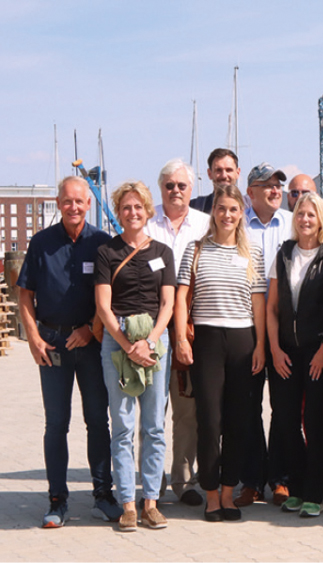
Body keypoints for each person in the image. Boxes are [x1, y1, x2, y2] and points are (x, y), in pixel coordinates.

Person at [16, 176, 120, 528]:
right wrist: (32, 338)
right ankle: (57, 500)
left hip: (91, 345)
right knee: (56, 423)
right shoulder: (41, 243)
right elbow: (25, 294)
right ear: (58, 204)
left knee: (97, 422)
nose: (73, 207)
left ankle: (102, 495)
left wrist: (90, 330)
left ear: (89, 204)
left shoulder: (102, 243)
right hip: (53, 346)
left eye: (79, 201)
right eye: (66, 201)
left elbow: (111, 297)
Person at [173, 184, 266, 522]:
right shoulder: (195, 249)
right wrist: (182, 340)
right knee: (209, 421)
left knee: (238, 421)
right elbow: (183, 299)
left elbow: (259, 304)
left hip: (242, 339)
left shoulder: (252, 252)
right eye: (222, 208)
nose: (227, 215)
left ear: (242, 213)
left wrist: (261, 347)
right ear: (213, 211)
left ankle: (229, 492)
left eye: (234, 209)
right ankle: (211, 494)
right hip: (207, 341)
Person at [95, 181, 175, 532]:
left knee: (154, 425)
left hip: (155, 340)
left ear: (148, 210)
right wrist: (128, 345)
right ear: (119, 211)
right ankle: (128, 503)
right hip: (119, 340)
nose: (132, 213)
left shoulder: (163, 251)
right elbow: (102, 304)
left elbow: (169, 303)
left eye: (138, 207)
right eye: (126, 207)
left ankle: (152, 502)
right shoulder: (106, 252)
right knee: (124, 425)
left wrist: (150, 342)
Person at [266, 192, 323, 518]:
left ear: (321, 219)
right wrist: (274, 349)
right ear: (294, 217)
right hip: (284, 353)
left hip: (317, 354)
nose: (305, 220)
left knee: (313, 421)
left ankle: (315, 491)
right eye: (300, 214)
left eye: (311, 214)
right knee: (286, 421)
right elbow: (271, 308)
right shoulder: (283, 253)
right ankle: (296, 487)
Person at [144, 158, 210, 508]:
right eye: (169, 185)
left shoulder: (206, 225)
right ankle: (150, 483)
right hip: (151, 329)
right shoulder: (145, 221)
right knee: (151, 411)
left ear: (191, 189)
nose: (175, 191)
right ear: (161, 188)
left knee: (187, 411)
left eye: (182, 185)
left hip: (190, 329)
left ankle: (184, 481)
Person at [236, 162, 292, 508]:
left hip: (286, 329)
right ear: (250, 192)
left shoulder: (294, 222)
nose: (275, 190)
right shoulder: (236, 224)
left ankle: (282, 478)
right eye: (267, 185)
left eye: (278, 185)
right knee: (248, 408)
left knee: (284, 408)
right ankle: (252, 479)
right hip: (245, 328)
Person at [190, 148, 241, 213]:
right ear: (209, 173)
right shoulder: (196, 207)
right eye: (218, 170)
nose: (224, 176)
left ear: (238, 173)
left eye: (229, 170)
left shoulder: (249, 207)